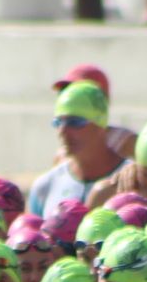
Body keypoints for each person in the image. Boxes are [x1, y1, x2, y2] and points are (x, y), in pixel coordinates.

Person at [28, 84, 130, 220]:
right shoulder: (45, 186)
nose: (63, 131)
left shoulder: (131, 179)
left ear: (100, 124)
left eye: (75, 122)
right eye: (58, 122)